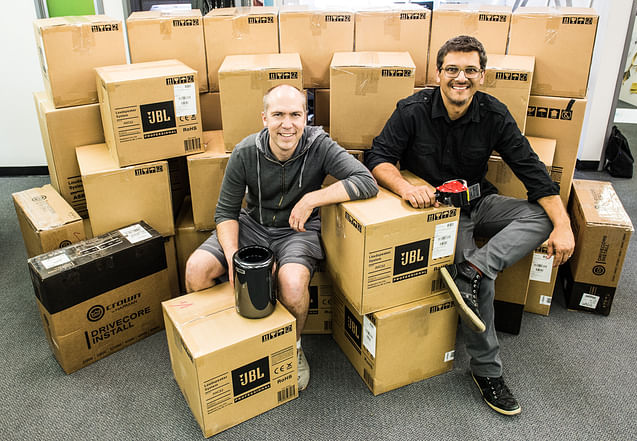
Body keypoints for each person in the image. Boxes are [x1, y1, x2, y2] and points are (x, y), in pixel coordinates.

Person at [364, 35, 574, 415]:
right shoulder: (412, 110)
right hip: (442, 215)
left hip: (481, 200)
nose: (461, 78)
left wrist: (564, 226)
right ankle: (487, 370)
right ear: (439, 73)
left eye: (470, 70)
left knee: (541, 217)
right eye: (453, 69)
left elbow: (534, 175)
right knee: (485, 286)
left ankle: (474, 268)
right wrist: (406, 187)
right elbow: (378, 156)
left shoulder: (494, 114)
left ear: (482, 75)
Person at [185, 84, 378, 392]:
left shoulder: (320, 145)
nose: (287, 124)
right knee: (196, 271)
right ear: (264, 118)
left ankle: (294, 347)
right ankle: (228, 338)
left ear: (306, 118)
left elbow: (366, 182)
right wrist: (236, 260)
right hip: (253, 225)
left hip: (297, 231)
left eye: (295, 115)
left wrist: (311, 199)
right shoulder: (245, 152)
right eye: (278, 115)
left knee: (290, 284)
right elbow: (225, 213)